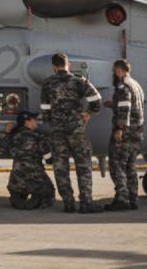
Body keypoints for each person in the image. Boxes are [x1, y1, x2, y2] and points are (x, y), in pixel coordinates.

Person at [40, 53, 103, 213]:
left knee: (60, 167)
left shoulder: (47, 84)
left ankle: (68, 203)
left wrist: (52, 124)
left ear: (54, 66)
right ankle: (86, 203)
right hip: (76, 130)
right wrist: (89, 113)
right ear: (68, 65)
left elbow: (45, 109)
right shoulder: (78, 81)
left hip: (57, 132)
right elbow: (96, 99)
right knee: (83, 165)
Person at [104, 59, 145, 211]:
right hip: (136, 133)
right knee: (130, 167)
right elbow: (131, 106)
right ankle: (133, 199)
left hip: (125, 134)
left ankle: (122, 199)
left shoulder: (123, 86)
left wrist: (120, 128)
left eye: (114, 70)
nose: (113, 73)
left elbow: (126, 107)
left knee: (117, 166)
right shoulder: (136, 85)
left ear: (119, 70)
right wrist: (113, 104)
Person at [0, 111, 55, 210]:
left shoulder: (13, 136)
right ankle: (36, 199)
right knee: (49, 192)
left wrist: (7, 133)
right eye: (34, 120)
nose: (36, 122)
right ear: (27, 122)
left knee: (19, 190)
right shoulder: (39, 137)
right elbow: (49, 160)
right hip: (36, 179)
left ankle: (17, 198)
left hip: (17, 180)